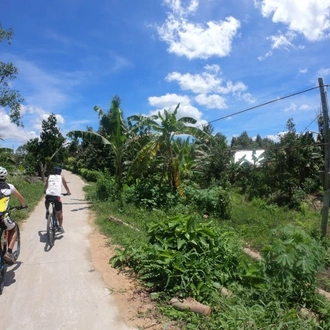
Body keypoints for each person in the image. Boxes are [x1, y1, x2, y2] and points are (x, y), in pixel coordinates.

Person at [0, 166, 27, 264]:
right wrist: (23, 205)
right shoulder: (9, 187)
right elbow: (21, 199)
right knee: (14, 228)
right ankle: (9, 252)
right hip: (2, 217)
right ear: (5, 177)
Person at [44, 166, 71, 234]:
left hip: (48, 195)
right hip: (56, 197)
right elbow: (65, 186)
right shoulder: (61, 177)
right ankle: (60, 227)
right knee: (60, 213)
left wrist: (44, 191)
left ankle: (47, 210)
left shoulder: (49, 176)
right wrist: (68, 192)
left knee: (46, 199)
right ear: (60, 172)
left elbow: (46, 185)